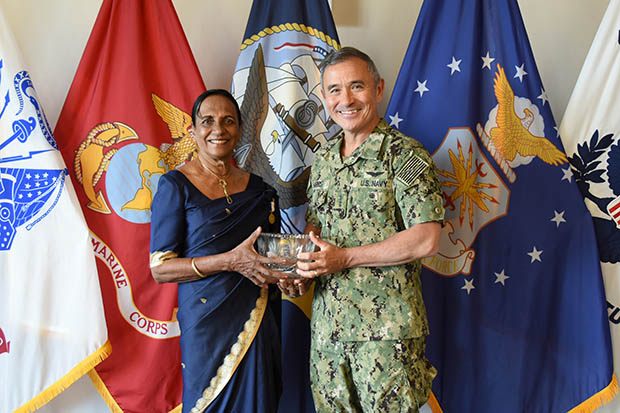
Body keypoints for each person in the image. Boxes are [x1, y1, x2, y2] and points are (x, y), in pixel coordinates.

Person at [279, 47, 445, 412]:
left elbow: (427, 238)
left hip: (386, 338)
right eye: (335, 90)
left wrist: (346, 258)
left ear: (378, 88)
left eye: (357, 86)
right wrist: (301, 273)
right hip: (327, 335)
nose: (346, 100)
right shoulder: (322, 161)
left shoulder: (404, 155)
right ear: (323, 97)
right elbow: (316, 235)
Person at [149, 89, 286, 413]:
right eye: (207, 121)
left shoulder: (261, 191)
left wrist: (295, 274)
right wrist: (229, 261)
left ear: (240, 130)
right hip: (205, 322)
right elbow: (160, 269)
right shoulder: (175, 186)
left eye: (228, 121)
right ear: (192, 131)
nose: (218, 130)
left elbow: (274, 259)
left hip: (258, 315)